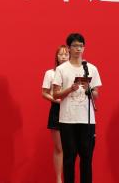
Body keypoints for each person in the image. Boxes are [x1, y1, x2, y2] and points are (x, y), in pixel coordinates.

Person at [53, 33, 102, 183]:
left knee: (87, 158)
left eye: (81, 46)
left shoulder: (91, 68)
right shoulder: (62, 69)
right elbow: (55, 94)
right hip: (68, 120)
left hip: (87, 120)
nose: (78, 49)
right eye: (75, 46)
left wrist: (89, 89)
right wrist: (70, 89)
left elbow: (96, 95)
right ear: (69, 48)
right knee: (69, 158)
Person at [42, 45, 70, 183]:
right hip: (56, 110)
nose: (63, 57)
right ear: (56, 57)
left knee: (70, 148)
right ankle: (59, 179)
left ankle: (68, 177)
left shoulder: (74, 73)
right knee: (59, 148)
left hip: (71, 110)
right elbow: (44, 93)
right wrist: (56, 100)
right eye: (61, 54)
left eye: (66, 54)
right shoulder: (50, 73)